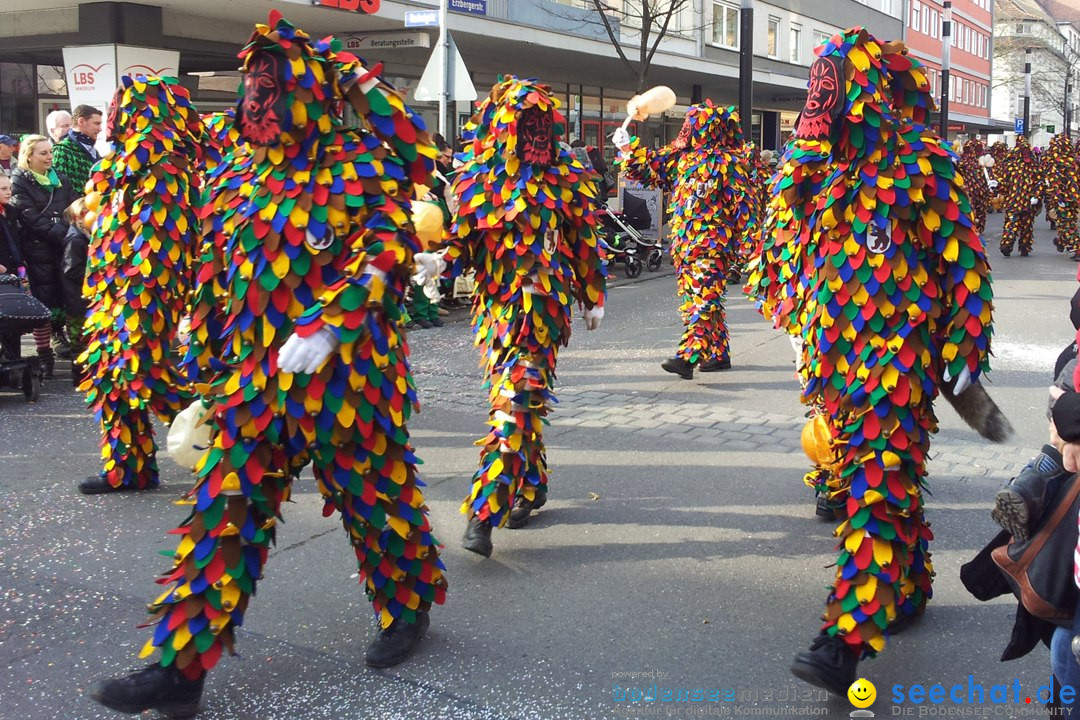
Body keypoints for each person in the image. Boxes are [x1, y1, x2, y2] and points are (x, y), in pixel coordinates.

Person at [89, 13, 447, 717]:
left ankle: (406, 609)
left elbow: (387, 250)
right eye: (252, 84)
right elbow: (214, 273)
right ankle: (178, 667)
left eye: (273, 85)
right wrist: (203, 364)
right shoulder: (234, 169)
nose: (257, 99)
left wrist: (329, 325)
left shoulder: (364, 162)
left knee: (379, 508)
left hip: (348, 383)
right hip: (253, 387)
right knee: (223, 513)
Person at [747, 27, 995, 693]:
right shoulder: (815, 169)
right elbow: (785, 242)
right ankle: (907, 587)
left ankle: (845, 638)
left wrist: (966, 352)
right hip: (834, 367)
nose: (817, 106)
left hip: (899, 366)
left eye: (829, 91)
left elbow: (963, 261)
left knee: (879, 485)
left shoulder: (921, 163)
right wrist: (797, 323)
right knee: (874, 478)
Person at [436, 76, 607, 557]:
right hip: (494, 316)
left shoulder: (566, 177)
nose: (534, 133)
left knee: (517, 401)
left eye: (540, 123)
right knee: (515, 401)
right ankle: (530, 488)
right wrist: (436, 262)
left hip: (542, 315)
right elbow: (462, 244)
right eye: (525, 122)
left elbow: (582, 240)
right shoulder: (478, 180)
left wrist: (594, 294)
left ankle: (484, 511)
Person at [615, 101, 756, 379]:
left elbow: (745, 207)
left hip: (713, 246)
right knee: (700, 297)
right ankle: (717, 355)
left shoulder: (731, 164)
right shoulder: (681, 158)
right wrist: (626, 150)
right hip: (685, 246)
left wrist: (749, 248)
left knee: (703, 300)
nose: (687, 130)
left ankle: (688, 356)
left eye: (694, 125)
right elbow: (648, 169)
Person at [8, 134, 73, 378]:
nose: (49, 157)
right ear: (29, 156)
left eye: (50, 152)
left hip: (62, 247)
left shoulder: (62, 180)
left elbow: (73, 208)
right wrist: (59, 233)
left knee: (65, 298)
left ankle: (63, 342)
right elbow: (29, 215)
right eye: (43, 153)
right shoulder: (19, 180)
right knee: (43, 304)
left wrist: (68, 233)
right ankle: (45, 356)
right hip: (36, 249)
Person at [61, 196, 91, 385]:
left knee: (84, 338)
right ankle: (79, 377)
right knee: (78, 339)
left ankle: (86, 374)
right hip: (76, 299)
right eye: (84, 214)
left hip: (81, 297)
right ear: (75, 218)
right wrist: (92, 276)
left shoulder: (85, 236)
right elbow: (71, 269)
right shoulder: (76, 239)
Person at [1000, 136, 1042, 257]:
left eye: (1027, 152)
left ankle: (1024, 247)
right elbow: (1004, 184)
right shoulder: (1010, 167)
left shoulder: (1034, 167)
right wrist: (997, 185)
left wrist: (1036, 195)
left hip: (1029, 203)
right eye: (1023, 152)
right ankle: (1006, 245)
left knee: (1026, 227)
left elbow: (1039, 183)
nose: (1026, 155)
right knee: (1011, 224)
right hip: (1014, 202)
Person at [1043, 133, 1080, 260]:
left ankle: (1076, 248)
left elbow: (1058, 181)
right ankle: (1063, 242)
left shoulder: (1057, 163)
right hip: (1071, 198)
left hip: (1064, 198)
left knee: (1067, 223)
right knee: (1064, 222)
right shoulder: (1073, 161)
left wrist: (1060, 197)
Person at [51, 104, 103, 194]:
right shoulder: (61, 150)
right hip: (75, 207)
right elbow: (59, 189)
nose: (100, 129)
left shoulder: (94, 151)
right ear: (81, 121)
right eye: (96, 123)